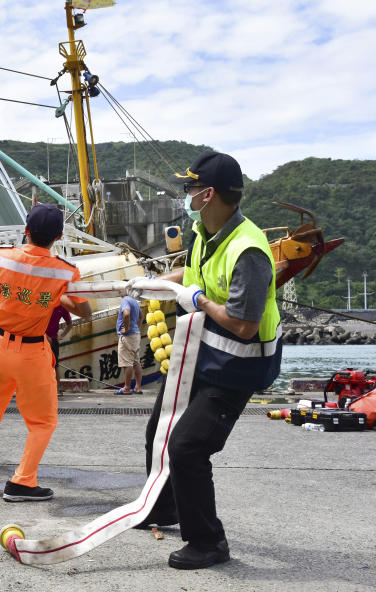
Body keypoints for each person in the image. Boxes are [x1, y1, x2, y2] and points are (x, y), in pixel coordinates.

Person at [136, 151, 282, 570]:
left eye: (190, 188)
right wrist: (152, 284)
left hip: (236, 365)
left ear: (209, 193)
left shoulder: (249, 250)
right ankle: (161, 509)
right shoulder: (204, 231)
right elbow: (192, 272)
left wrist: (196, 300)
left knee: (188, 446)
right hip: (199, 353)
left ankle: (208, 542)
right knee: (159, 429)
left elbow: (243, 325)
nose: (186, 195)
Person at [0, 204, 91, 501]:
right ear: (58, 236)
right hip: (32, 351)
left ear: (26, 231)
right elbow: (86, 310)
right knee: (43, 420)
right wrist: (60, 297)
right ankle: (22, 482)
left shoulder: (1, 257)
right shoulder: (65, 271)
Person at [115, 294, 144, 394]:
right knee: (136, 362)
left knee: (127, 362)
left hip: (128, 336)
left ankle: (127, 388)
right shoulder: (134, 301)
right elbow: (141, 316)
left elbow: (126, 314)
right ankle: (138, 387)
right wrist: (137, 328)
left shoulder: (125, 300)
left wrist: (127, 328)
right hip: (135, 335)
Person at [46, 305, 73, 371]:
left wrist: (62, 335)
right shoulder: (44, 304)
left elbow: (70, 324)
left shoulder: (62, 307)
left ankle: (57, 381)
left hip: (53, 340)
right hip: (41, 339)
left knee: (55, 366)